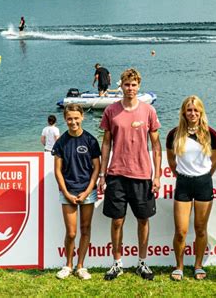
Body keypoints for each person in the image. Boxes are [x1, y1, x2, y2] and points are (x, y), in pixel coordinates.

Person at [98, 68, 161, 281]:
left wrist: (158, 175)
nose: (130, 88)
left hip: (142, 174)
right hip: (116, 174)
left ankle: (142, 263)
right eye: (126, 84)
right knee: (117, 221)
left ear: (139, 86)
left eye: (133, 85)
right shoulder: (111, 111)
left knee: (143, 220)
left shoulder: (148, 111)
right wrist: (102, 174)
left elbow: (157, 145)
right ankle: (117, 263)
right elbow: (106, 143)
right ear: (121, 86)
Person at [166, 96, 216, 281]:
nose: (193, 113)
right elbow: (172, 161)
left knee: (200, 229)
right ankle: (179, 266)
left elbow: (214, 162)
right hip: (183, 184)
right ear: (183, 112)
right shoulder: (174, 134)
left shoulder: (211, 134)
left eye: (196, 110)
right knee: (180, 231)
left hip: (203, 183)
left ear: (201, 112)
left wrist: (203, 176)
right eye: (189, 110)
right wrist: (182, 175)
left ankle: (198, 265)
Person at [52, 103, 101, 280]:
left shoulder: (91, 140)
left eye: (76, 118)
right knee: (71, 233)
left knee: (85, 229)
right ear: (65, 119)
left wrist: (88, 191)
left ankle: (80, 266)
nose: (73, 122)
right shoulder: (61, 142)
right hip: (68, 192)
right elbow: (57, 170)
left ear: (82, 117)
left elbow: (97, 168)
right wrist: (65, 192)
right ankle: (68, 265)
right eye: (69, 119)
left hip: (87, 192)